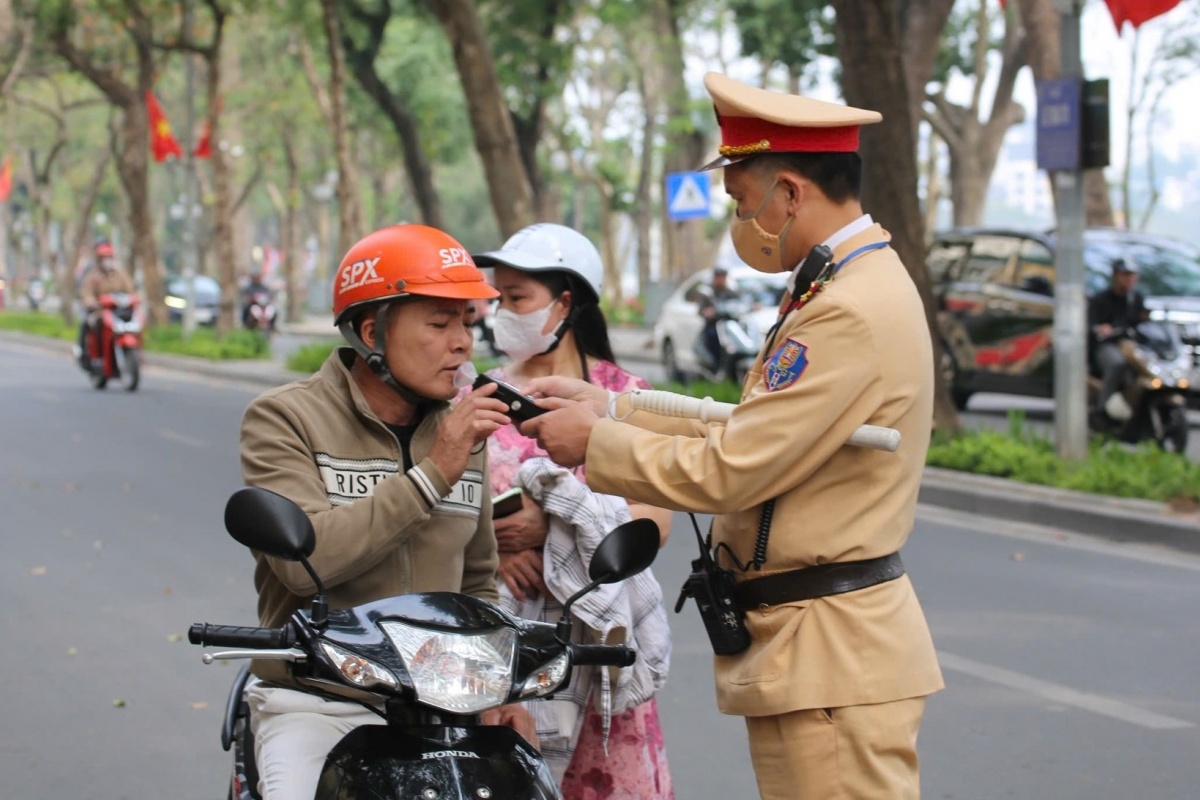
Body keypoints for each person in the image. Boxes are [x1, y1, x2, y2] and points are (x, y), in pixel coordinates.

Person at [519, 72, 944, 800]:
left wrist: (595, 443)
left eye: (743, 201)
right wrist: (615, 408)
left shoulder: (848, 308)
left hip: (832, 654)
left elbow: (736, 467)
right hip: (814, 647)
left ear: (789, 192)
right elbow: (753, 424)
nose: (742, 221)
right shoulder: (840, 286)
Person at [237, 223, 533, 800]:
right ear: (373, 332)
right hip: (320, 700)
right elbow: (304, 564)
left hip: (444, 708)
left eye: (467, 322)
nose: (462, 343)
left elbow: (477, 582)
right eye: (439, 322)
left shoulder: (461, 431)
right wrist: (431, 475)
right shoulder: (283, 420)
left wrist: (502, 691)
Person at [471, 222, 675, 796]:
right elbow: (440, 514)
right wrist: (494, 553)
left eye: (518, 299)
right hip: (503, 664)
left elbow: (651, 525)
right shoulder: (474, 397)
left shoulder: (626, 398)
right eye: (499, 298)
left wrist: (554, 526)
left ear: (565, 302)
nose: (502, 313)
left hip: (597, 651)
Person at [1088, 256, 1148, 420]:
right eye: (1125, 274)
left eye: (1132, 275)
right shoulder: (1101, 298)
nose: (1129, 279)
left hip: (1130, 344)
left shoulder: (1137, 299)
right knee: (1117, 364)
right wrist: (1100, 328)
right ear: (1116, 276)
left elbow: (1143, 322)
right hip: (1108, 345)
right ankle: (1102, 409)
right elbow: (1091, 323)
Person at [76, 240, 135, 369]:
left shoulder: (120, 274)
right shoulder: (92, 275)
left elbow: (130, 290)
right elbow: (86, 292)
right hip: (100, 311)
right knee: (90, 323)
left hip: (118, 311)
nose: (107, 261)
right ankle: (87, 354)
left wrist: (134, 299)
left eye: (109, 257)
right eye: (104, 258)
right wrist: (92, 303)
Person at [697, 265, 741, 371]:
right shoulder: (708, 292)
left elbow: (740, 303)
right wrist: (707, 312)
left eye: (722, 277)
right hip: (714, 324)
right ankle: (715, 365)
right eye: (718, 277)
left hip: (730, 324)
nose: (720, 279)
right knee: (712, 336)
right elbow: (701, 310)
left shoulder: (731, 292)